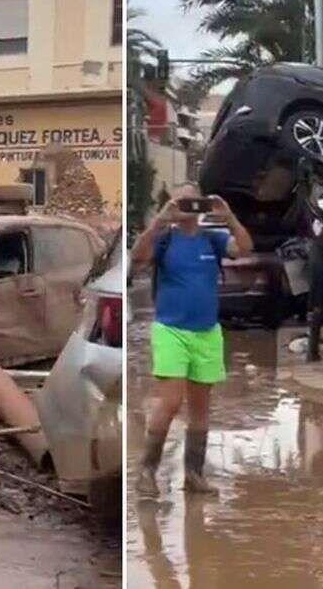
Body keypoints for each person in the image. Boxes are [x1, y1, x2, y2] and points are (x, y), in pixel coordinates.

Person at [131, 183, 253, 496]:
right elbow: (138, 258)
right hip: (171, 330)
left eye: (192, 201)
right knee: (170, 402)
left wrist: (229, 217)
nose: (187, 207)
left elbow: (244, 248)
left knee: (201, 406)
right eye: (181, 201)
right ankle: (146, 472)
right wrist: (160, 218)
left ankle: (194, 475)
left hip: (206, 333)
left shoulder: (212, 238)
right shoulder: (165, 239)